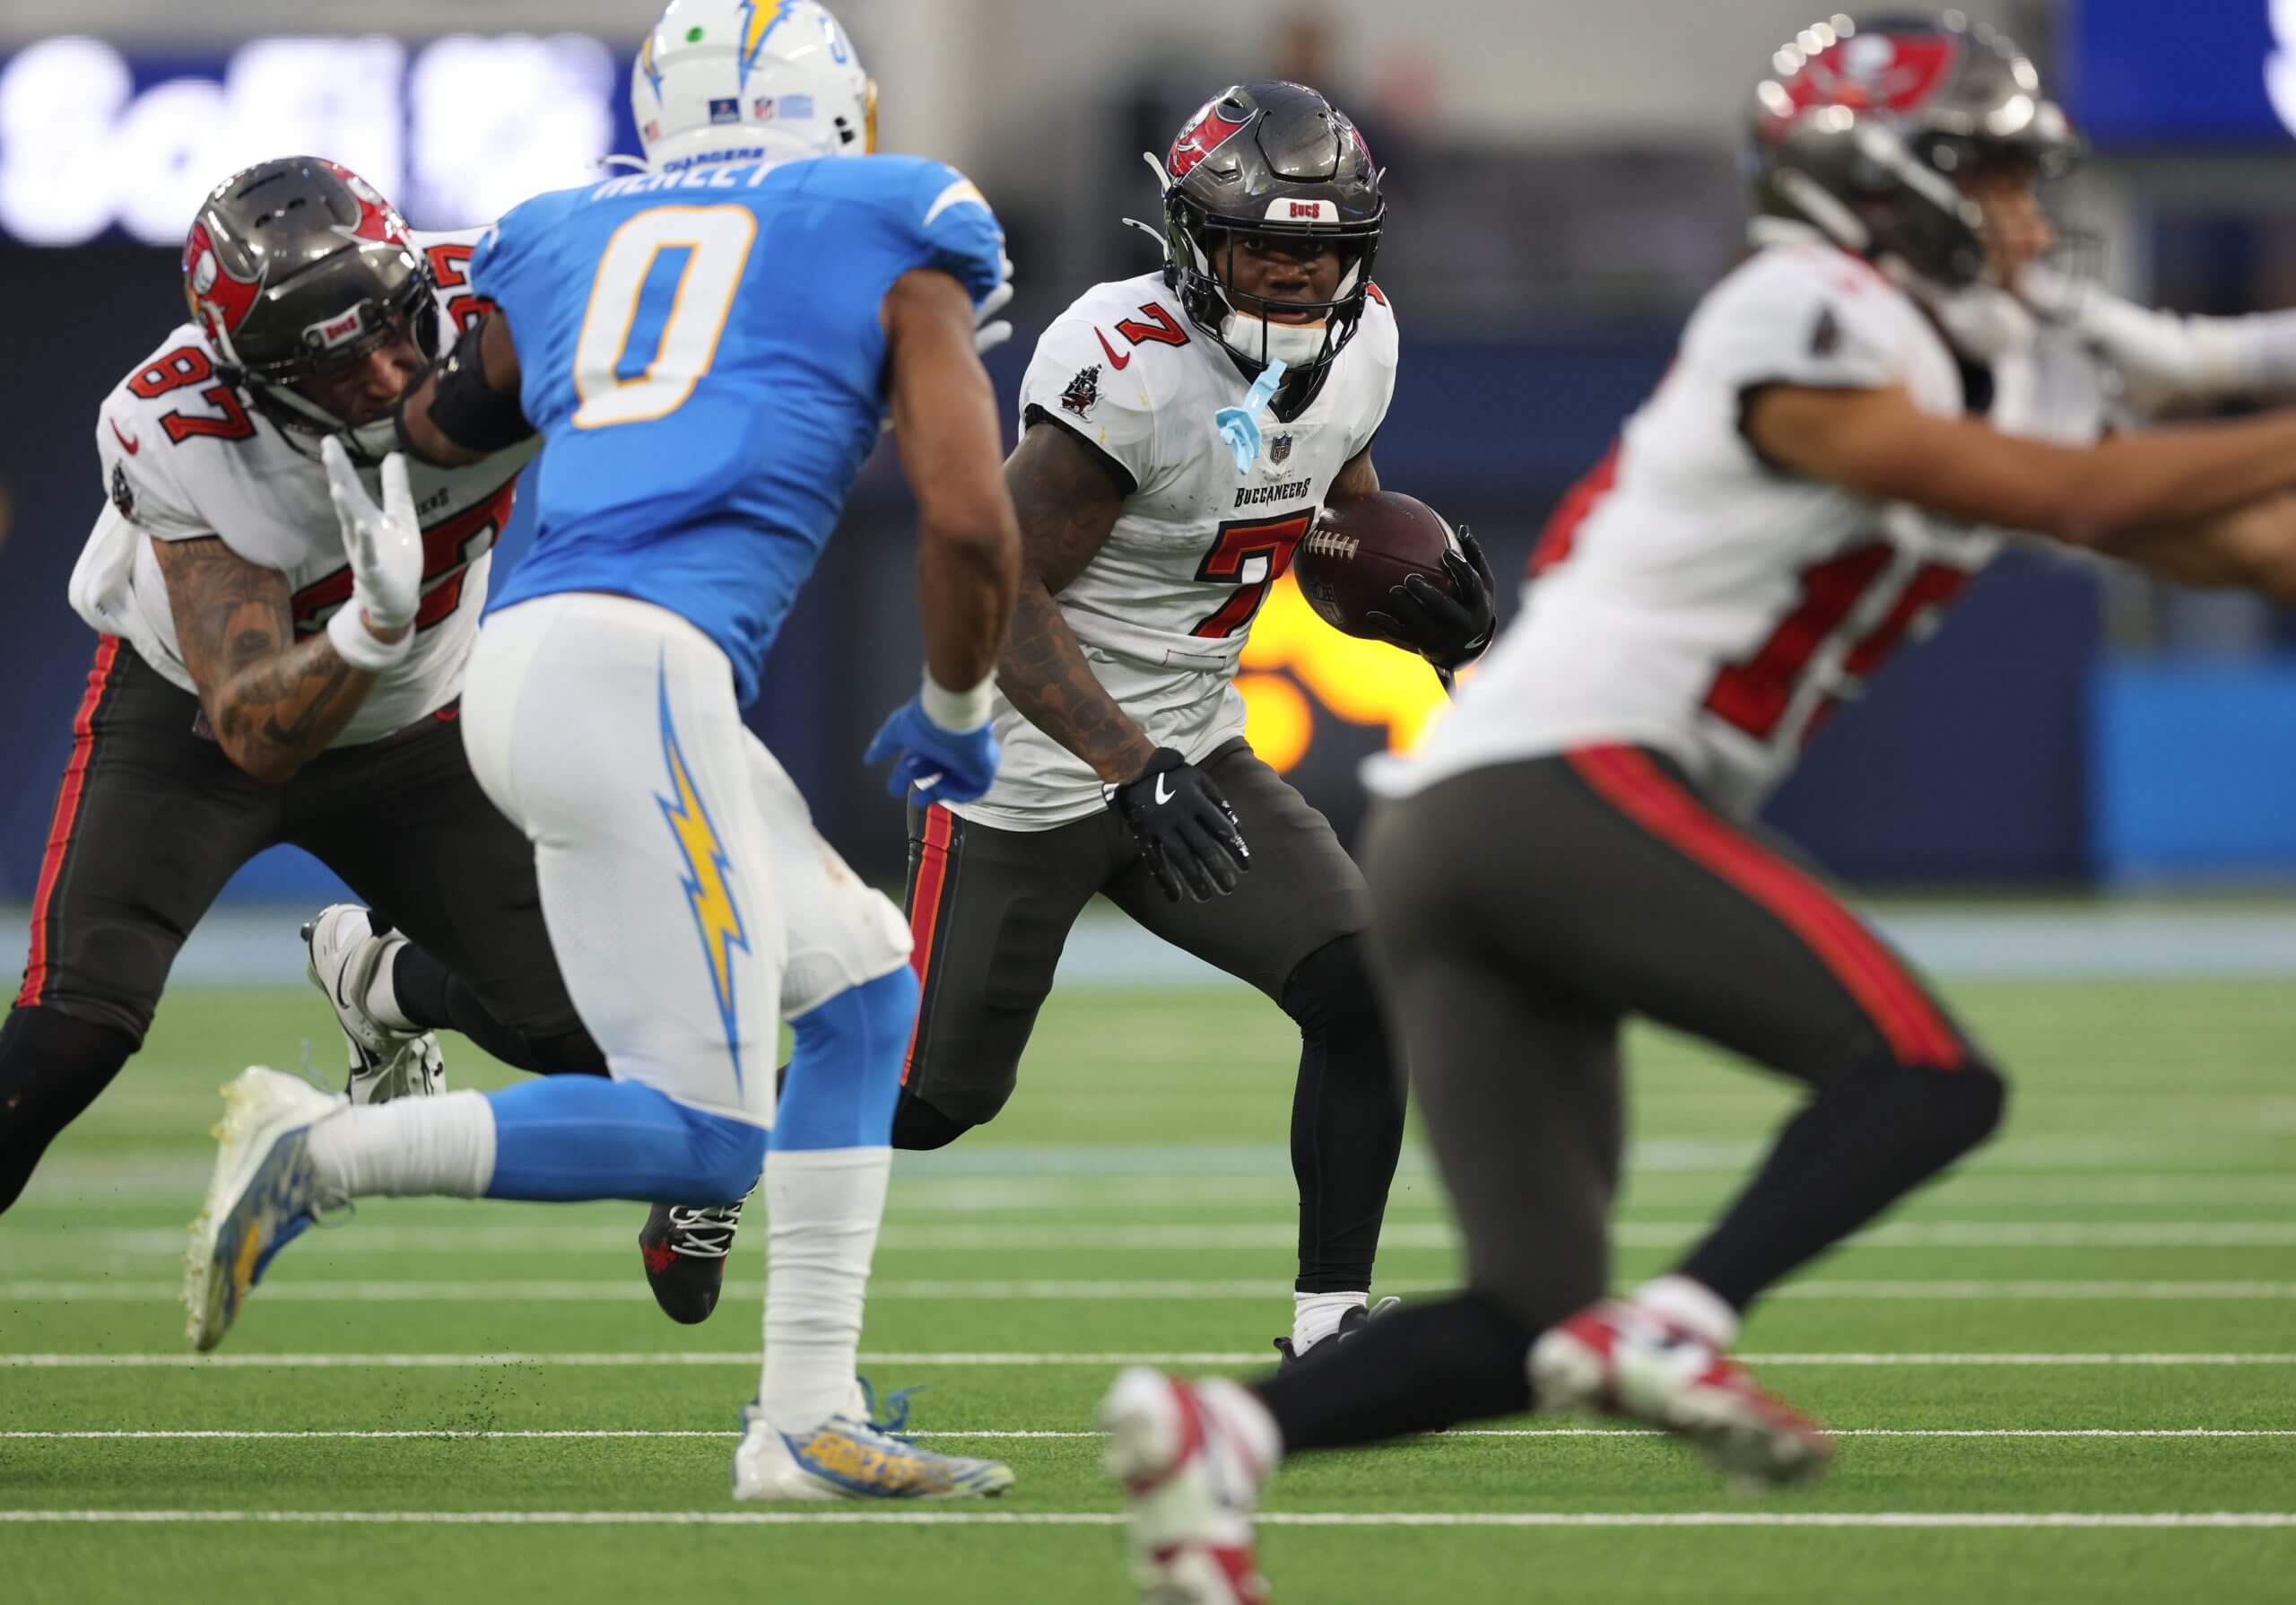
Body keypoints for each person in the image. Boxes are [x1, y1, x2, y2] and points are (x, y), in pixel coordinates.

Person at [1095, 15, 2296, 1598]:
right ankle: (1677, 1321)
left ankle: (1221, 1434)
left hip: (1477, 823)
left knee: (1526, 1307)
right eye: (1992, 173)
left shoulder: (1995, 352)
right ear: (1889, 179)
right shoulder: (1800, 306)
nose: (2022, 211)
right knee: (1925, 1071)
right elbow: (2075, 495)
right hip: (1556, 784)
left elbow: (2217, 533)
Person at [184, 0, 1025, 1503]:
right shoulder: (897, 216)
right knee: (704, 1134)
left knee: (861, 985)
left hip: (540, 658)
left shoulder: (567, 224)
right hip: (629, 672)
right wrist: (957, 712)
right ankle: (317, 1148)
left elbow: (445, 421)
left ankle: (803, 1419)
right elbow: (970, 517)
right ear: (843, 111)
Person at [889, 79, 1495, 1365]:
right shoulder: (1130, 366)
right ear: (1192, 240)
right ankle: (706, 1141)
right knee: (926, 1103)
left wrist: (1415, 611)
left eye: (1317, 250)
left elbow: (1326, 533)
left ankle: (1330, 1327)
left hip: (1192, 744)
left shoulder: (1366, 344)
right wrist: (1126, 767)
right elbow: (991, 598)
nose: (1288, 276)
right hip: (1031, 769)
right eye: (1261, 245)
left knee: (1365, 990)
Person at [0, 153, 610, 1221]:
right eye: (332, 368)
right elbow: (252, 732)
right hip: (190, 727)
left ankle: (381, 982)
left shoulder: (511, 305)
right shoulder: (180, 426)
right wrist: (368, 627)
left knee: (581, 1034)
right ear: (249, 376)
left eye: (392, 330)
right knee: (68, 1032)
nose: (382, 377)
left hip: (420, 727)